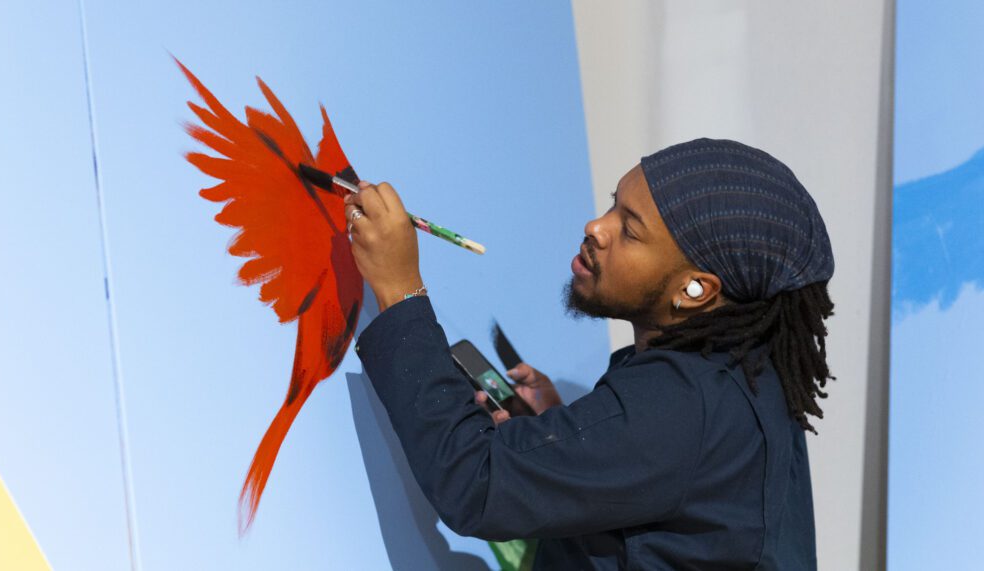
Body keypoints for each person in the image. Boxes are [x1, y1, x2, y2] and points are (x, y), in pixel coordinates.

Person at [344, 138, 834, 570]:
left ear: (696, 289)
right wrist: (572, 440)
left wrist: (399, 291)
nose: (596, 227)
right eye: (613, 205)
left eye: (631, 230)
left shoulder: (683, 406)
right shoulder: (739, 374)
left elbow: (474, 484)